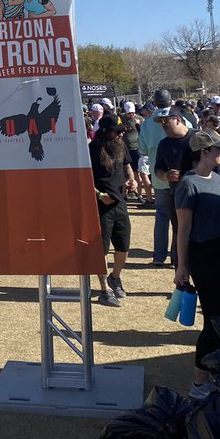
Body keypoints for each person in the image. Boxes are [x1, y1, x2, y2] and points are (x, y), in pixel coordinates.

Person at [174, 128, 220, 401]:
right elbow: (183, 229)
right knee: (214, 318)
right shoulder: (188, 184)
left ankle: (218, 371)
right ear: (204, 152)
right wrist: (181, 266)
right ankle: (200, 381)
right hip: (203, 255)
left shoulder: (219, 180)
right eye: (218, 148)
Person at [90, 122, 136, 307]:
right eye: (116, 132)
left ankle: (115, 277)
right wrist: (99, 195)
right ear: (105, 132)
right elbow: (83, 178)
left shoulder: (120, 145)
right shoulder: (92, 149)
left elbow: (128, 167)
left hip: (120, 203)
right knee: (101, 250)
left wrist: (132, 180)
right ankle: (104, 290)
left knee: (123, 246)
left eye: (121, 131)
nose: (120, 134)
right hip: (100, 205)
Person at [151, 107, 193, 267]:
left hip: (201, 195)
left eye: (166, 121)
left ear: (178, 119)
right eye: (161, 122)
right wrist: (165, 176)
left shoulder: (197, 137)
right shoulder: (164, 144)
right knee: (180, 232)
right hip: (177, 196)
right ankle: (179, 267)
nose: (163, 125)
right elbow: (158, 169)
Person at [140, 89, 174, 265]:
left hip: (158, 175)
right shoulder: (178, 118)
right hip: (177, 175)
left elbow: (143, 150)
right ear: (171, 101)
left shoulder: (147, 123)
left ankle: (159, 256)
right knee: (178, 218)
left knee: (161, 216)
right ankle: (177, 256)